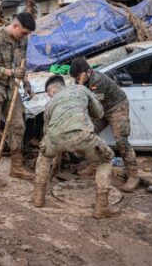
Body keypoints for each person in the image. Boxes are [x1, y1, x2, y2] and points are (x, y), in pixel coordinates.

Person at [33, 75, 120, 218]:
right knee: (105, 160)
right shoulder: (81, 89)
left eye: (49, 94)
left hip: (54, 138)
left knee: (44, 155)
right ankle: (102, 207)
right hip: (82, 136)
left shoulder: (50, 104)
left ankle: (38, 198)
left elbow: (46, 130)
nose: (50, 97)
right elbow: (99, 113)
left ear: (53, 90)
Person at [0, 12, 36, 185]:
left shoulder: (23, 40)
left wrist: (26, 83)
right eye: (23, 32)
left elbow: (21, 65)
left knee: (18, 125)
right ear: (15, 26)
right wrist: (11, 73)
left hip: (11, 87)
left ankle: (16, 167)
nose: (25, 36)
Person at [69, 58, 139, 192]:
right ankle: (93, 164)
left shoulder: (97, 81)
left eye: (79, 77)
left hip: (116, 106)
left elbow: (89, 103)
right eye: (76, 79)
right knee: (86, 135)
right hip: (99, 109)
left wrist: (81, 84)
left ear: (88, 72)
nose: (77, 81)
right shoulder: (80, 81)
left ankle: (133, 176)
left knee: (121, 141)